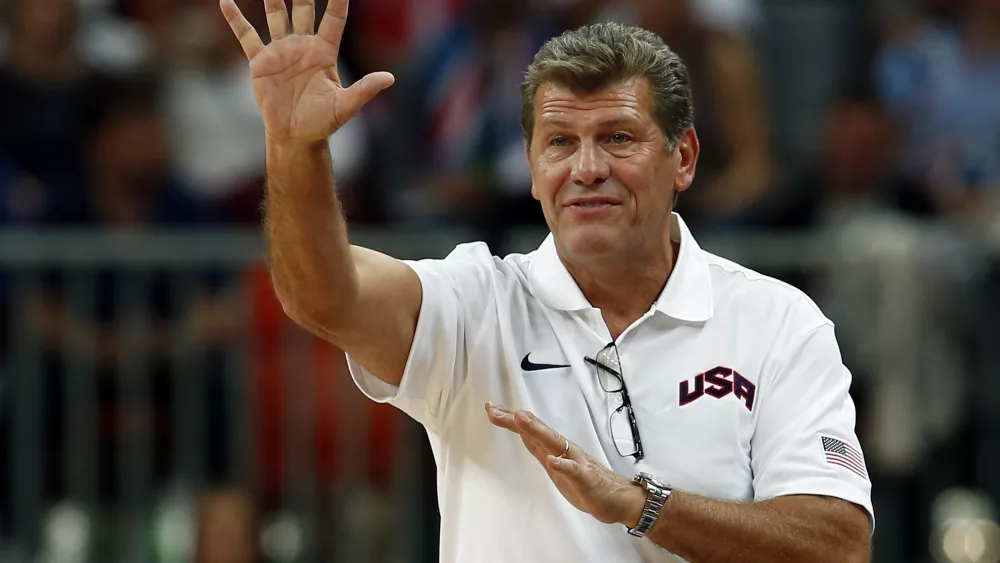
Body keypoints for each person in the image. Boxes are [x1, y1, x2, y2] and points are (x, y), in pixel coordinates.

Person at [220, 0, 873, 561]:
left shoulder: (778, 322)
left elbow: (838, 543)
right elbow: (323, 295)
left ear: (685, 157)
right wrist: (294, 148)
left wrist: (640, 505)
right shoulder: (477, 300)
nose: (587, 168)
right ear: (532, 170)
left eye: (619, 137)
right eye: (560, 142)